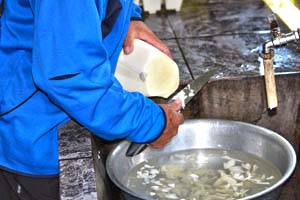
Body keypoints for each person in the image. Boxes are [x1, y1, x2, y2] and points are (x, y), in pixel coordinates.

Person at [0, 0, 184, 199]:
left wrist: (126, 16)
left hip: (58, 119)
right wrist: (152, 123)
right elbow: (71, 79)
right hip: (32, 139)